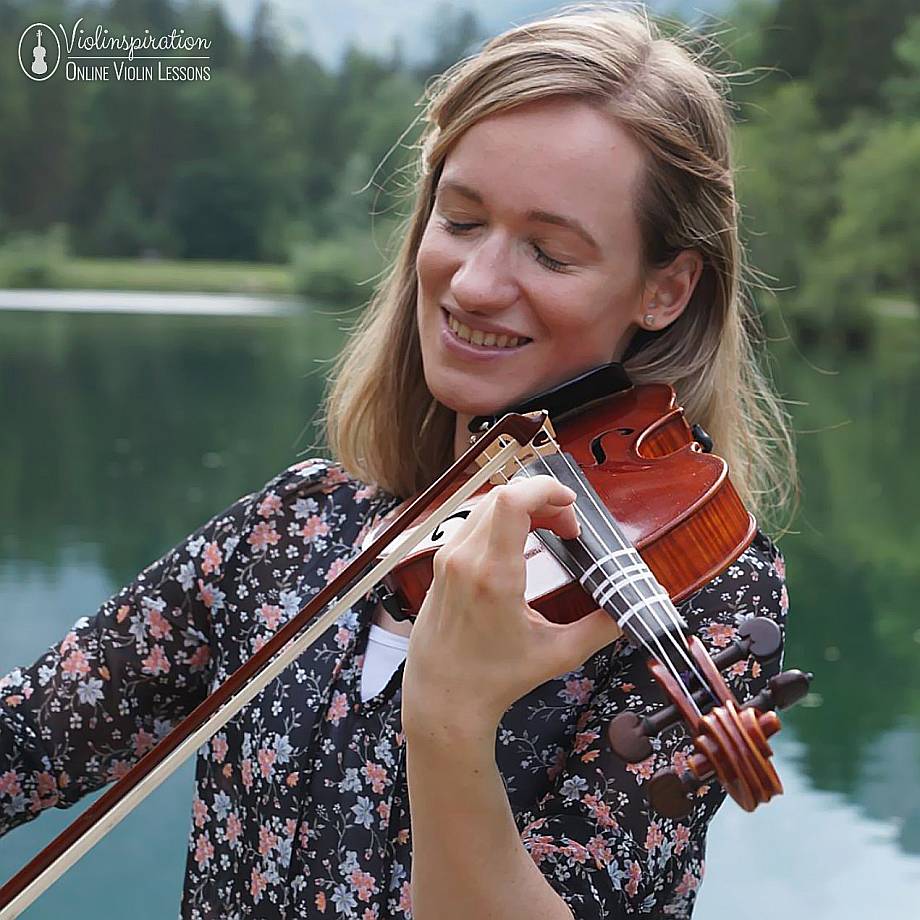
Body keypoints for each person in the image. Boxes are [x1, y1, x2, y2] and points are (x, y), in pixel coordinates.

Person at [0, 4, 796, 918]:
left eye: (549, 250)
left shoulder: (695, 595)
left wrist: (450, 716)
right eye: (460, 221)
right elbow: (27, 738)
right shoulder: (295, 529)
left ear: (666, 289)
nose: (476, 283)